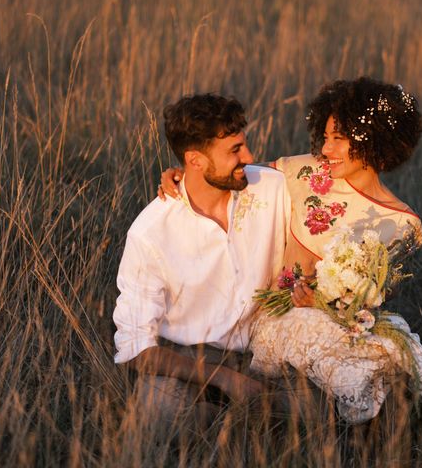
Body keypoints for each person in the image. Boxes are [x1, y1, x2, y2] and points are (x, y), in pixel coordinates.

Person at [158, 77, 422, 456]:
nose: (326, 149)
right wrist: (181, 174)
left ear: (374, 141)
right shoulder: (302, 171)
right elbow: (228, 174)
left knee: (390, 344)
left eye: (339, 139)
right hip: (273, 314)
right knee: (366, 355)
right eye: (324, 136)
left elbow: (367, 300)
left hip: (335, 322)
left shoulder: (403, 224)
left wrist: (326, 303)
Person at [113, 93, 291, 430]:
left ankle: (246, 423)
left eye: (245, 144)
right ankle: (226, 418)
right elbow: (136, 348)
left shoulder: (271, 187)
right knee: (161, 416)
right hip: (191, 360)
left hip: (268, 349)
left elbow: (332, 169)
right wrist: (225, 379)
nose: (249, 156)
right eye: (235, 150)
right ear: (194, 160)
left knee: (316, 413)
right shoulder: (150, 232)